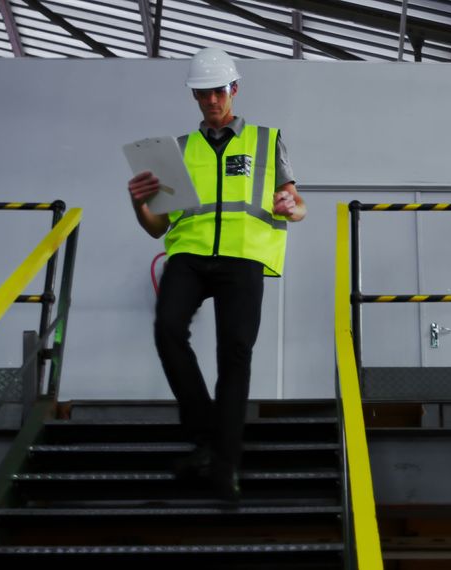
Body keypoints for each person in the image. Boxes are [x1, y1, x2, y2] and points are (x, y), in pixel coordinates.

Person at [127, 47, 306, 501]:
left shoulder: (267, 140)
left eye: (218, 91)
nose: (211, 101)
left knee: (235, 354)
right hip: (188, 254)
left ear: (235, 89)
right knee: (167, 329)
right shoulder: (179, 151)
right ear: (195, 96)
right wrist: (138, 203)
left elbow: (296, 204)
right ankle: (207, 435)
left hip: (243, 257)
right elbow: (157, 228)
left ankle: (224, 465)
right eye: (202, 93)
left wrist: (292, 207)